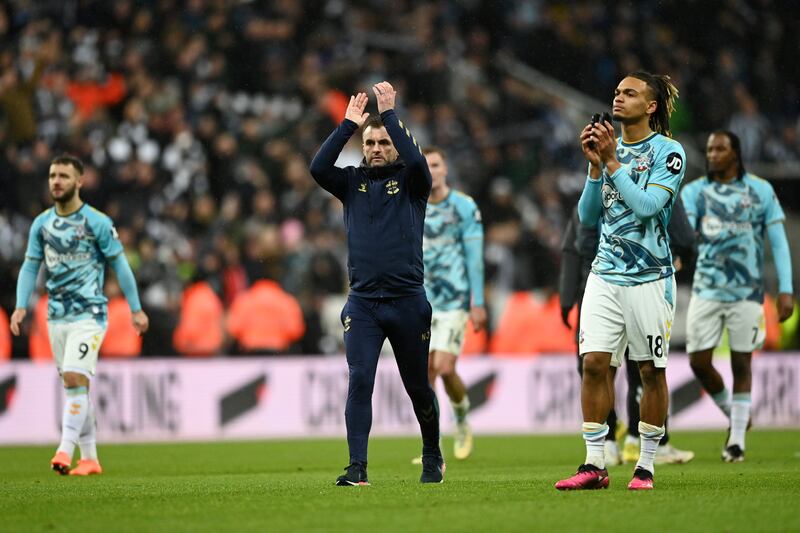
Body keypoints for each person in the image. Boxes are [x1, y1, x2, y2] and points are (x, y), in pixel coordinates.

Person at [555, 71, 686, 491]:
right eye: (617, 91)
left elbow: (648, 208)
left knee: (649, 370)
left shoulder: (669, 152)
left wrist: (612, 161)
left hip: (649, 278)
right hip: (605, 274)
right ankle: (595, 464)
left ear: (650, 106)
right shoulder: (606, 152)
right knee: (593, 364)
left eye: (630, 93)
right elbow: (588, 218)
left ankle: (645, 464)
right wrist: (595, 169)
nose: (619, 97)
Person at [309, 82, 444, 485]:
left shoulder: (412, 183)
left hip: (407, 302)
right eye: (371, 143)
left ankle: (432, 454)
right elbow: (317, 168)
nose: (378, 148)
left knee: (418, 387)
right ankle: (357, 467)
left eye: (384, 142)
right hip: (364, 304)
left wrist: (389, 117)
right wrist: (347, 125)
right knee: (360, 378)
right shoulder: (350, 183)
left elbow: (421, 165)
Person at [10, 154, 149, 476]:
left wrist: (136, 308)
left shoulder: (97, 222)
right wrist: (20, 305)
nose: (56, 181)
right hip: (56, 317)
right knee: (76, 388)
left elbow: (120, 264)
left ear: (80, 182)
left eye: (63, 176)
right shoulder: (41, 224)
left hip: (89, 314)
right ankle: (90, 459)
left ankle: (64, 449)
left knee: (74, 376)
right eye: (52, 175)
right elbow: (31, 265)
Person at [681, 130, 794, 463]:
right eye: (710, 148)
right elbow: (684, 235)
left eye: (720, 149)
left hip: (747, 292)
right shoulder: (696, 192)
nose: (713, 154)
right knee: (698, 362)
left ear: (736, 153)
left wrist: (786, 288)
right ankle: (734, 412)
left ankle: (737, 441)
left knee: (741, 362)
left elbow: (779, 242)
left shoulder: (760, 190)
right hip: (706, 289)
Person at [559, 200, 696, 467]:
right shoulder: (629, 178)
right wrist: (684, 256)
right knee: (632, 369)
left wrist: (568, 295)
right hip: (615, 280)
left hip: (606, 280)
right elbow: (684, 237)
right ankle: (624, 443)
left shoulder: (634, 173)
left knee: (610, 368)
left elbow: (577, 244)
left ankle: (622, 447)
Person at [415, 146, 486, 462]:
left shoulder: (464, 207)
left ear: (445, 169)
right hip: (421, 300)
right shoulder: (413, 206)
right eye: (425, 165)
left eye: (435, 165)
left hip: (455, 299)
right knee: (425, 375)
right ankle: (433, 447)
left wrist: (478, 301)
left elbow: (474, 258)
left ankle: (461, 421)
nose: (430, 171)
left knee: (444, 368)